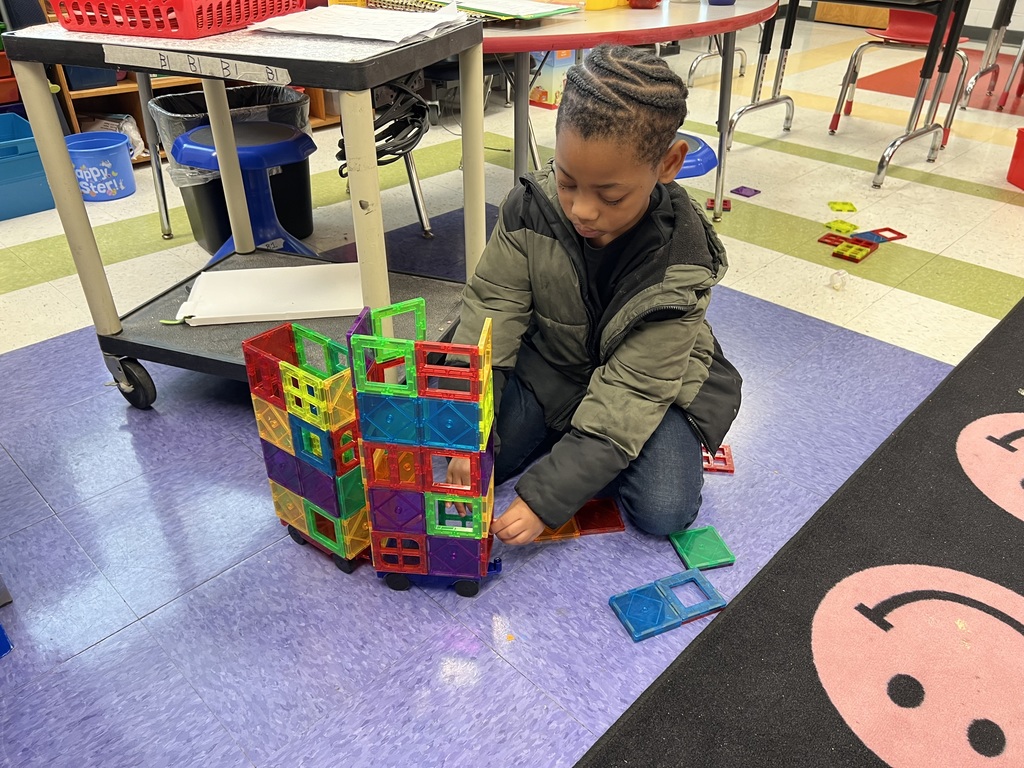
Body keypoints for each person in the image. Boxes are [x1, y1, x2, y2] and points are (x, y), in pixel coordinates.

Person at [447, 44, 742, 545]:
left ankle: (592, 445)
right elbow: (489, 316)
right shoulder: (530, 209)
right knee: (477, 456)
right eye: (567, 182)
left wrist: (547, 499)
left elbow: (636, 391)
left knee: (663, 510)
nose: (582, 210)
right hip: (553, 367)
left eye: (610, 195)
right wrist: (463, 424)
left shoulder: (683, 267)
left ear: (668, 163)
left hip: (652, 386)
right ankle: (585, 443)